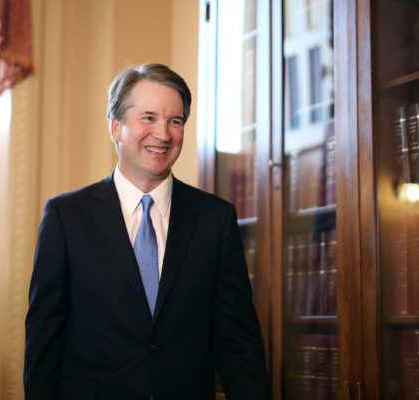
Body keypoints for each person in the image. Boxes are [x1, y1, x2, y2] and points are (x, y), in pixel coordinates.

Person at [24, 63, 270, 400]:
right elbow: (43, 338)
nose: (164, 134)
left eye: (175, 121)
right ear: (116, 127)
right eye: (148, 117)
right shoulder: (66, 217)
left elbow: (238, 342)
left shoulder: (216, 219)